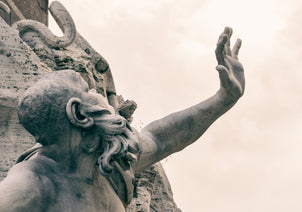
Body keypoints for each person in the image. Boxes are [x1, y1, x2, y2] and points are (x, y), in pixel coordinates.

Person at [0, 27, 244, 211]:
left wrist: (223, 99)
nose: (98, 93)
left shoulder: (106, 163)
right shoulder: (28, 186)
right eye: (88, 90)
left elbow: (159, 138)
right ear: (78, 114)